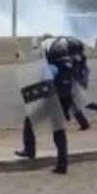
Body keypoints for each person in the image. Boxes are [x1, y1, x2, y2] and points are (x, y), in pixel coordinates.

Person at [16, 37, 71, 175]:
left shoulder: (51, 68)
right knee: (59, 133)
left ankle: (29, 150)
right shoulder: (67, 65)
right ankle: (62, 164)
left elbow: (46, 83)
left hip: (52, 102)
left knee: (30, 122)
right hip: (65, 101)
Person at [67, 37, 97, 122]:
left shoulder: (76, 58)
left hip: (76, 81)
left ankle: (82, 121)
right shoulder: (79, 56)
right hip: (79, 80)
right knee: (76, 101)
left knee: (74, 101)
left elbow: (75, 72)